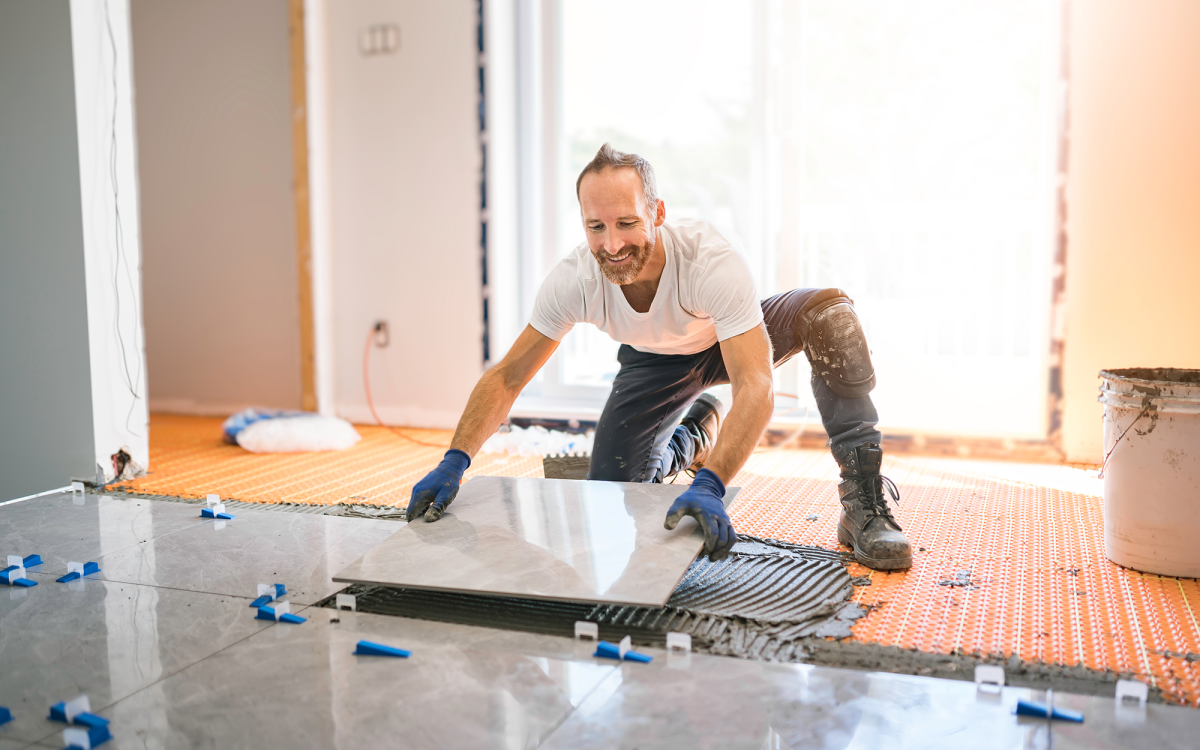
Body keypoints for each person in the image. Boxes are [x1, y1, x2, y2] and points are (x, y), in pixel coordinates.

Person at [406, 143, 911, 571]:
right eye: (595, 227)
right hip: (654, 365)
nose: (612, 244)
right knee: (615, 498)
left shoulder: (710, 262)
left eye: (627, 223)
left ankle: (862, 500)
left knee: (831, 315)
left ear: (658, 214)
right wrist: (455, 460)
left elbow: (755, 385)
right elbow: (507, 378)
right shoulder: (574, 280)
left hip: (729, 340)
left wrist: (713, 486)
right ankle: (692, 437)